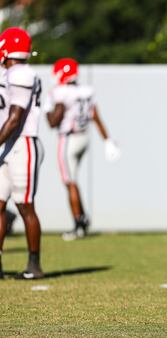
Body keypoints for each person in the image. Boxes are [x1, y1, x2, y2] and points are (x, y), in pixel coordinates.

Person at [46, 58, 121, 240]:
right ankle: (82, 216)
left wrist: (53, 109)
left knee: (69, 182)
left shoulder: (60, 93)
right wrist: (107, 140)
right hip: (84, 138)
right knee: (73, 180)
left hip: (68, 138)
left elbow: (53, 122)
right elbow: (95, 116)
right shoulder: (86, 91)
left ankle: (79, 223)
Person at [0, 27, 45, 279]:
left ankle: (34, 265)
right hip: (7, 144)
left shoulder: (23, 74)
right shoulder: (8, 74)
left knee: (25, 206)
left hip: (23, 144)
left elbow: (15, 118)